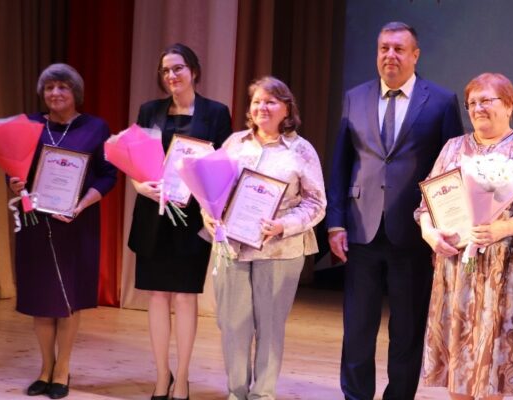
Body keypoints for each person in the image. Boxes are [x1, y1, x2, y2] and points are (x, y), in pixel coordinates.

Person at [327, 21, 464, 400]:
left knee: (407, 329)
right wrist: (335, 223)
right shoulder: (355, 97)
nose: (390, 55)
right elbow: (340, 164)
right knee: (357, 329)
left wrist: (445, 229)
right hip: (361, 230)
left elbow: (451, 171)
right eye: (384, 48)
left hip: (415, 234)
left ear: (415, 55)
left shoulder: (441, 101)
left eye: (399, 49)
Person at [417, 73, 513, 399]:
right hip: (456, 271)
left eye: (486, 101)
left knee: (495, 366)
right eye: (472, 103)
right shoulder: (453, 148)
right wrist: (430, 234)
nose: (478, 108)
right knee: (459, 365)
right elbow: (426, 206)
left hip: (504, 272)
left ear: (509, 105)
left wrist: (503, 228)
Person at [205, 76, 326, 399]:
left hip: (279, 249)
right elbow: (211, 190)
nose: (262, 107)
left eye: (271, 101)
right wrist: (209, 214)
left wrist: (283, 225)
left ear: (287, 109)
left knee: (270, 327)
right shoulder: (235, 143)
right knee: (232, 324)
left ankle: (263, 394)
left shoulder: (301, 150)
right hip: (232, 247)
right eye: (257, 101)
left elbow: (317, 204)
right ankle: (236, 392)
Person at [128, 43, 232, 400]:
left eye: (178, 68)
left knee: (186, 298)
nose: (171, 75)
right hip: (153, 216)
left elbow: (223, 168)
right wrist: (139, 186)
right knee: (157, 296)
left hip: (192, 219)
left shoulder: (216, 113)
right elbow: (136, 161)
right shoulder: (149, 110)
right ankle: (162, 377)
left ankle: (183, 378)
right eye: (166, 71)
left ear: (194, 71)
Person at [7, 63, 118, 399]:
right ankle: (45, 368)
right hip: (36, 223)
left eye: (63, 87)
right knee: (41, 299)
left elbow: (108, 175)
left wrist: (81, 204)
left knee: (69, 299)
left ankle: (63, 369)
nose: (55, 93)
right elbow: (14, 169)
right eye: (49, 87)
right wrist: (14, 183)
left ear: (75, 92)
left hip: (77, 223)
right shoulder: (30, 125)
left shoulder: (96, 127)